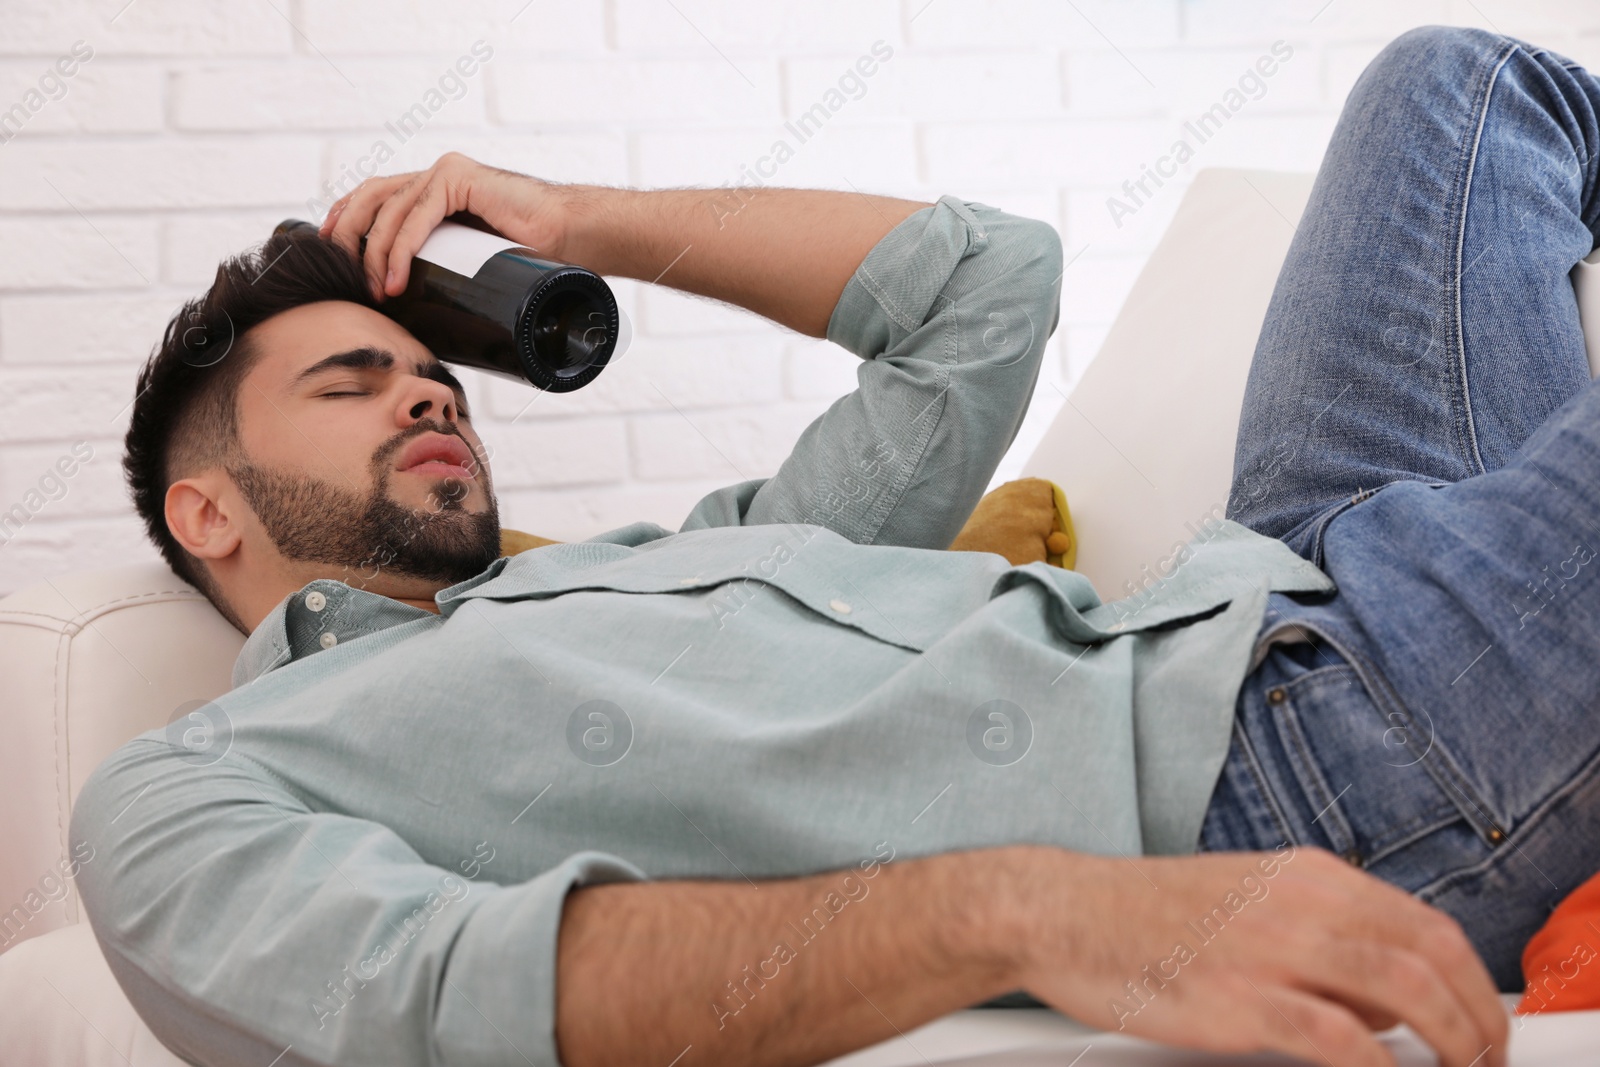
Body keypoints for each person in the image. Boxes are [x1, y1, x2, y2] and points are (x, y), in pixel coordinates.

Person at [75, 21, 1600, 1067]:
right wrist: (1033, 903)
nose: (422, 389)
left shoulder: (673, 560)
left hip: (1286, 572)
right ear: (205, 513)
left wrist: (575, 218)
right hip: (1311, 766)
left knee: (1461, 89)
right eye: (350, 383)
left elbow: (990, 288)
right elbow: (448, 1002)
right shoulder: (194, 788)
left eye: (430, 373)